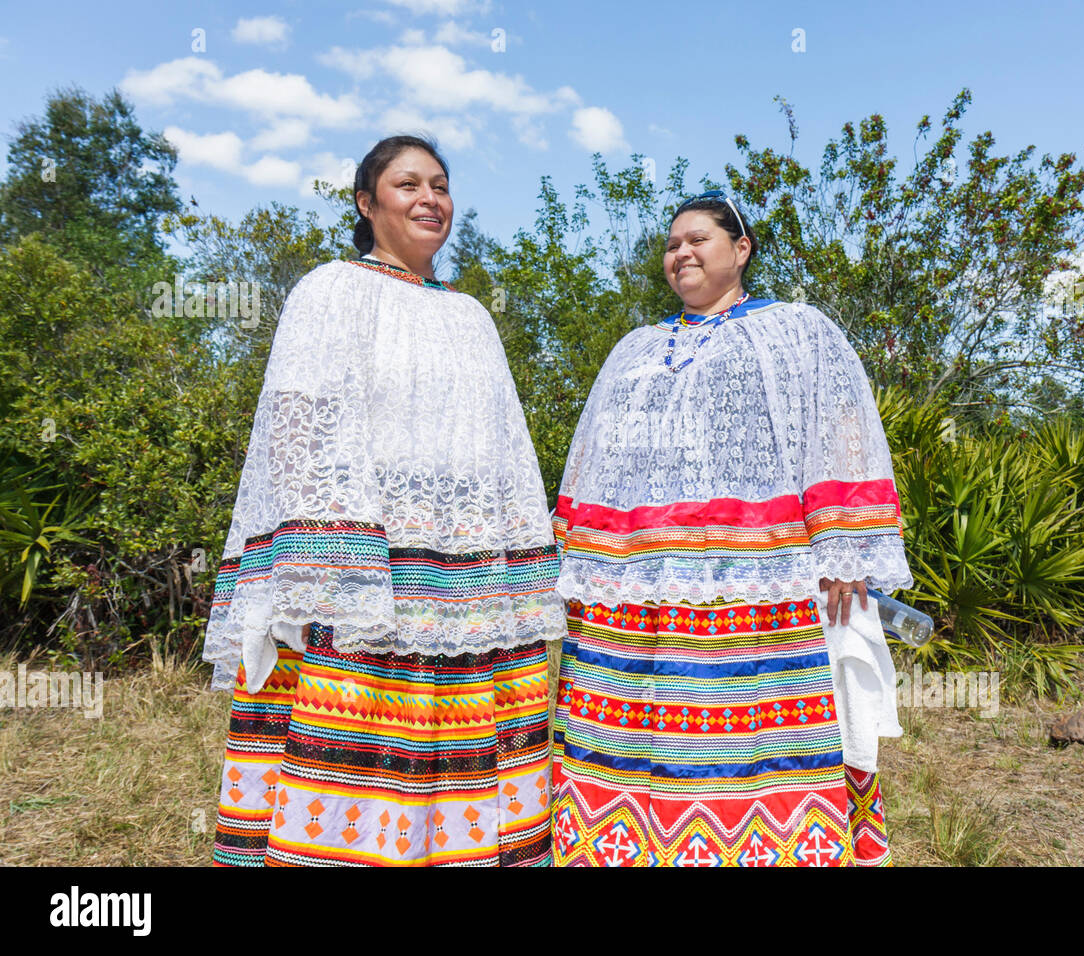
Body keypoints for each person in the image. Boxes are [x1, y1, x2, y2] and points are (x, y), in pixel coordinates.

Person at [201, 135, 563, 866]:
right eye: (407, 185)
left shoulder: (471, 317)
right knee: (353, 760)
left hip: (464, 581)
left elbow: (504, 451)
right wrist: (332, 569)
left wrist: (511, 568)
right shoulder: (332, 289)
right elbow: (297, 424)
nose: (430, 198)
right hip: (365, 576)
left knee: (456, 758)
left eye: (440, 184)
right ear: (367, 204)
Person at [549, 190, 912, 866]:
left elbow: (839, 436)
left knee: (745, 740)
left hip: (757, 586)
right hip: (635, 589)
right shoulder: (635, 347)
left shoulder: (795, 331)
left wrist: (845, 555)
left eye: (698, 240)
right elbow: (592, 459)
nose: (680, 252)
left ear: (741, 250)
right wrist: (572, 561)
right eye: (670, 245)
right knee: (637, 731)